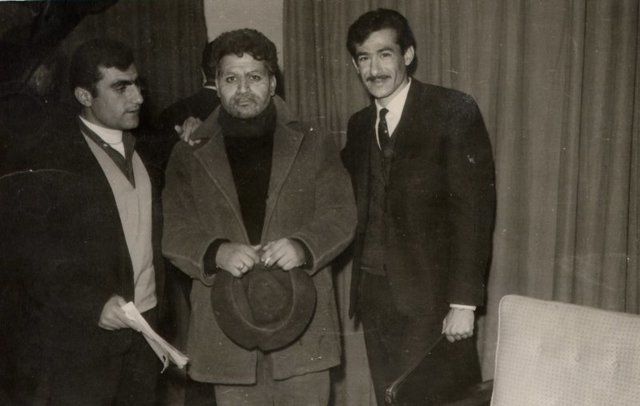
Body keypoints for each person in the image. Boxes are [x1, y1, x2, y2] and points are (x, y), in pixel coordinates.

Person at [162, 28, 356, 406]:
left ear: (272, 82)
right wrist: (216, 252)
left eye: (254, 77)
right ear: (216, 85)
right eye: (231, 79)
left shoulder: (314, 141)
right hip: (227, 336)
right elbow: (174, 228)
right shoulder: (188, 153)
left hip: (303, 332)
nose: (243, 89)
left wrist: (303, 246)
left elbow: (341, 213)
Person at [342, 8, 496, 404]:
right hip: (374, 298)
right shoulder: (358, 125)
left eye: (385, 54)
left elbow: (474, 212)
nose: (374, 69)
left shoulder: (452, 110)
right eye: (364, 57)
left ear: (408, 55)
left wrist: (463, 303)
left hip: (433, 301)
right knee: (389, 399)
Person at [0, 38, 165, 405]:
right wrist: (91, 304)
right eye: (121, 87)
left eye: (137, 84)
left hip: (146, 333)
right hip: (83, 343)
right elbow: (27, 256)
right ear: (84, 96)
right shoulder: (50, 158)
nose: (138, 97)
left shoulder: (148, 149)